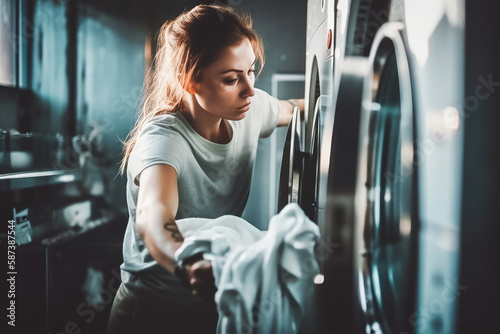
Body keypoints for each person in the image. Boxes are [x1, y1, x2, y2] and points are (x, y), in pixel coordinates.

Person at [107, 4, 304, 334]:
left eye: (251, 71)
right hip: (152, 311)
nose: (249, 89)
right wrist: (189, 264)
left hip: (210, 305)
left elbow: (297, 110)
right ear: (189, 79)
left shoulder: (250, 107)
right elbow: (153, 219)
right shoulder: (165, 139)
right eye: (231, 79)